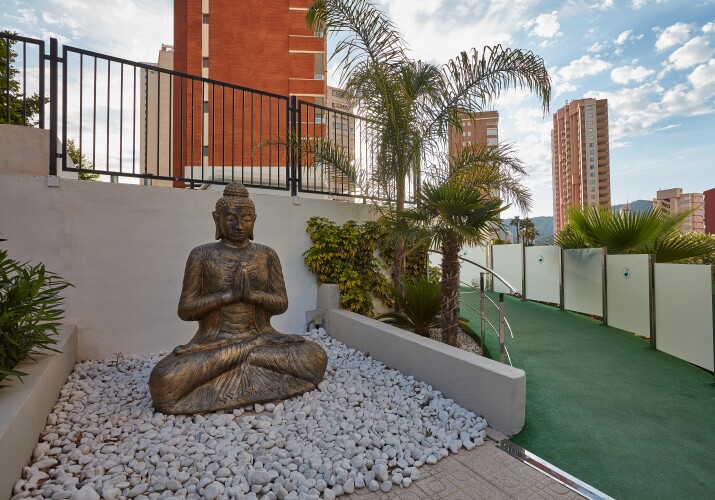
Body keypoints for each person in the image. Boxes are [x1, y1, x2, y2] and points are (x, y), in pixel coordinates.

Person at [149, 183, 327, 414]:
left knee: (315, 356)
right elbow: (186, 309)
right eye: (231, 218)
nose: (239, 226)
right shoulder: (201, 255)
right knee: (164, 379)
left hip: (262, 338)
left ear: (255, 220)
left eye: (246, 219)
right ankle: (249, 360)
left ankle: (235, 365)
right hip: (214, 343)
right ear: (217, 219)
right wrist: (228, 296)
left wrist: (251, 296)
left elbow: (281, 304)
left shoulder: (267, 254)